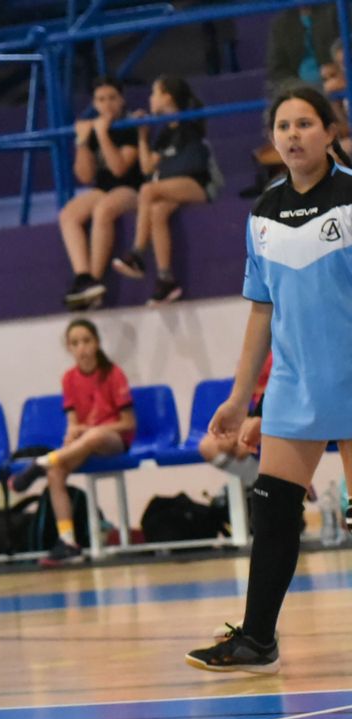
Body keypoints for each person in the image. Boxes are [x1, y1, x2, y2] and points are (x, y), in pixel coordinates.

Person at [187, 86, 352, 674]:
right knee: (275, 513)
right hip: (294, 386)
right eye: (283, 126)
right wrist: (238, 397)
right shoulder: (263, 213)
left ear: (330, 133)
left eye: (305, 123)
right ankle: (258, 639)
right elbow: (261, 310)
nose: (292, 135)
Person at [8, 319, 138, 567]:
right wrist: (72, 435)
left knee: (95, 435)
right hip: (84, 441)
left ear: (97, 343)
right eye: (75, 343)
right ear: (69, 348)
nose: (82, 348)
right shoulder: (68, 378)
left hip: (113, 439)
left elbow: (128, 423)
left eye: (87, 341)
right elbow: (73, 422)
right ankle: (68, 541)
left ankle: (42, 461)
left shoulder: (113, 373)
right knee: (56, 472)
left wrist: (90, 430)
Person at [112, 76, 215, 305]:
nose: (150, 98)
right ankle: (166, 280)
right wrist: (142, 135)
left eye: (154, 92)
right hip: (171, 189)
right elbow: (147, 167)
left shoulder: (189, 123)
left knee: (147, 191)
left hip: (196, 185)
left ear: (167, 96)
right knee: (157, 211)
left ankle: (137, 253)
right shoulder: (165, 133)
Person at [58, 78, 141, 309]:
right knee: (68, 214)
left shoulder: (129, 124)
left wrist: (103, 135)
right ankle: (83, 276)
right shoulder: (92, 129)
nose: (107, 104)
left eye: (112, 98)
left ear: (121, 99)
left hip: (132, 189)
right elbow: (85, 176)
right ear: (94, 103)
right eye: (101, 99)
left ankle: (94, 280)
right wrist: (82, 142)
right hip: (103, 189)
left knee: (104, 209)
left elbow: (119, 168)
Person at [200, 352, 270, 488]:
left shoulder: (283, 352)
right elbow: (241, 386)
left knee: (243, 445)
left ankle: (269, 485)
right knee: (208, 445)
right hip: (255, 413)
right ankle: (257, 481)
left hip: (274, 415)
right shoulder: (256, 353)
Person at [266, 4, 338, 92]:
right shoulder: (281, 24)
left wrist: (335, 73)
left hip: (333, 80)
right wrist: (295, 87)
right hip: (299, 89)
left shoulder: (335, 11)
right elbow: (277, 68)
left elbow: (342, 51)